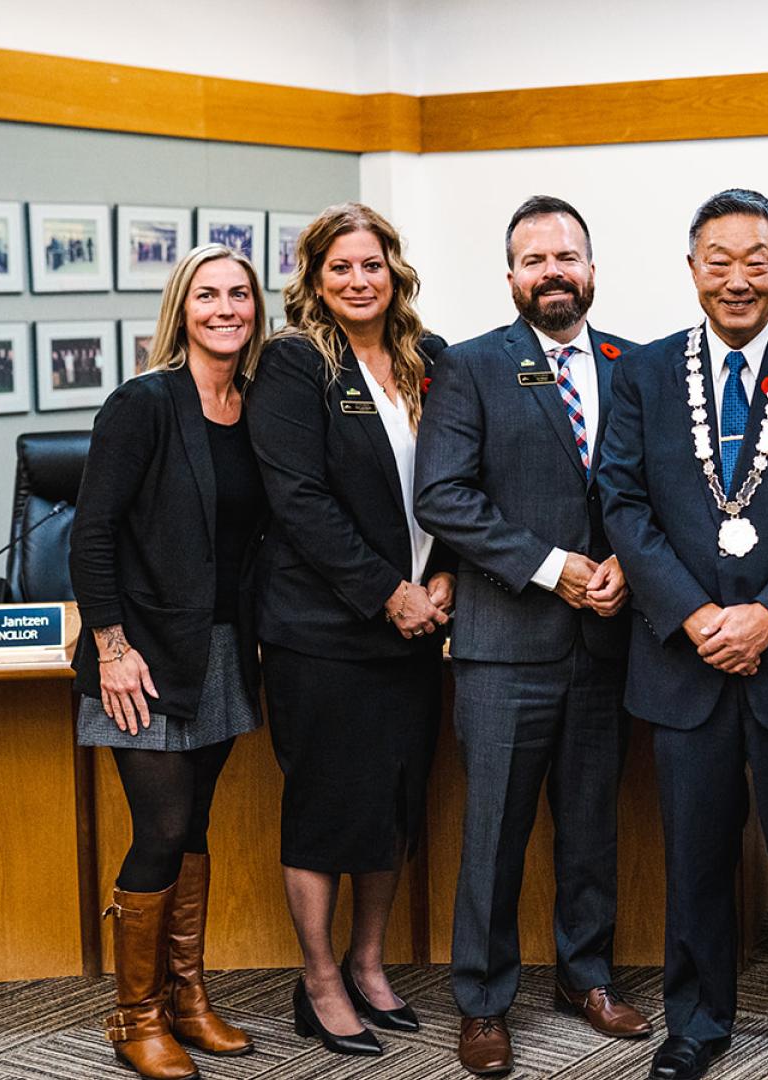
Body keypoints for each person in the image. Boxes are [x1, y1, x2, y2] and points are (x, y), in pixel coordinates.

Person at [597, 189, 768, 1080]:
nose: (737, 279)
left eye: (755, 259)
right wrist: (691, 613)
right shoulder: (643, 374)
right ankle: (696, 1022)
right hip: (685, 663)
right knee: (695, 858)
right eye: (717, 261)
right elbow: (623, 500)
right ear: (691, 271)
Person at [415, 195, 652, 1075]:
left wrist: (628, 562)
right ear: (511, 275)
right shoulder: (471, 367)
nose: (554, 271)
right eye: (534, 259)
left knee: (591, 826)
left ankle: (584, 977)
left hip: (607, 641)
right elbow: (443, 495)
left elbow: (658, 487)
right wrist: (556, 566)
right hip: (506, 643)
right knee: (494, 835)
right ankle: (481, 1002)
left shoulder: (637, 365)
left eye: (568, 256)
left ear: (592, 267)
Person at [244, 202, 454, 1058]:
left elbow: (462, 477)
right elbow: (299, 502)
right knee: (331, 809)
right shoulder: (294, 366)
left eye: (371, 265)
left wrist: (444, 578)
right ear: (315, 279)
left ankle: (370, 965)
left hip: (418, 626)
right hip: (323, 631)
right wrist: (386, 591)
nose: (358, 281)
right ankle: (320, 980)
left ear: (392, 270)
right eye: (340, 269)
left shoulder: (430, 358)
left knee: (394, 807)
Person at [69, 243, 270, 1080]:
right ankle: (136, 1015)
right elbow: (92, 533)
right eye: (208, 295)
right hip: (142, 655)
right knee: (156, 828)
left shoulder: (256, 404)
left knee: (195, 825)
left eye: (240, 295)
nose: (226, 308)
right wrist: (110, 648)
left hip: (222, 649)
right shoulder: (143, 403)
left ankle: (188, 999)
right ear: (181, 309)